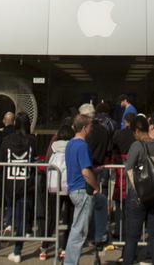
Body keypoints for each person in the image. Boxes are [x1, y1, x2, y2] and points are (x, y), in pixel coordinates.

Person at [123, 115, 154, 265]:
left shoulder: (136, 146)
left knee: (132, 236)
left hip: (137, 196)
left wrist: (137, 188)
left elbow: (129, 169)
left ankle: (128, 261)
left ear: (137, 131)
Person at [0, 112, 35, 263]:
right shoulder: (32, 140)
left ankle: (8, 224)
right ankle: (18, 249)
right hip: (26, 182)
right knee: (23, 216)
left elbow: (1, 161)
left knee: (11, 206)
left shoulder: (6, 140)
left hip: (10, 181)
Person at [63, 113, 101, 265]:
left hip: (74, 188)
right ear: (85, 128)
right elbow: (85, 172)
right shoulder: (82, 145)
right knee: (79, 231)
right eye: (90, 126)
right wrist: (96, 186)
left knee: (78, 227)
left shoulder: (70, 144)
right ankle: (70, 262)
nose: (91, 129)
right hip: (82, 190)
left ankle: (71, 261)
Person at [77, 103, 111, 251]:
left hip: (88, 171)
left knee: (86, 206)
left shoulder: (87, 134)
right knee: (97, 206)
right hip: (99, 168)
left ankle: (88, 236)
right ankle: (97, 236)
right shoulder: (104, 130)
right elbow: (108, 150)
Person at [41, 123, 75, 261]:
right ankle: (65, 248)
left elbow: (47, 160)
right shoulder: (73, 146)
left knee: (51, 216)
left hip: (54, 183)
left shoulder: (53, 146)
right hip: (69, 184)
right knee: (69, 217)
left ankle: (44, 246)